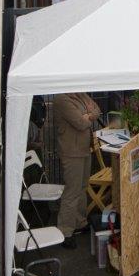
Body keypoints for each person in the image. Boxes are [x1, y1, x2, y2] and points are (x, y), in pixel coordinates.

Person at [53, 93, 100, 248]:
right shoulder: (62, 99)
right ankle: (65, 230)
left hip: (84, 148)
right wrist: (87, 115)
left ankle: (80, 222)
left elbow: (97, 110)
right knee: (72, 191)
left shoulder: (80, 94)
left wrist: (89, 115)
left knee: (82, 187)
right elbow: (79, 123)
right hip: (71, 151)